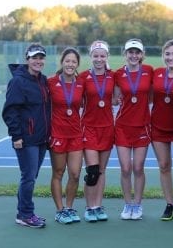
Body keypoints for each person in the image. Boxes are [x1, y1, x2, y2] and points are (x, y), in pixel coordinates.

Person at [2, 43, 51, 228]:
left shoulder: (43, 80)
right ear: (27, 59)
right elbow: (10, 111)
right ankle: (25, 214)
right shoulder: (18, 81)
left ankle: (24, 211)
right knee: (28, 176)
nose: (38, 61)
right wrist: (16, 137)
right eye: (34, 57)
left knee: (31, 176)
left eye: (41, 57)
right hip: (26, 139)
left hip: (41, 139)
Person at [113, 38, 154, 220]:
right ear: (125, 54)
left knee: (138, 167)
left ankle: (137, 205)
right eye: (131, 52)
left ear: (142, 55)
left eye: (137, 52)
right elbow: (114, 98)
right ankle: (127, 204)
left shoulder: (149, 71)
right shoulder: (118, 74)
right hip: (122, 126)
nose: (134, 55)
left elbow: (152, 95)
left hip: (142, 126)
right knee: (125, 168)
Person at [79, 40, 115, 222]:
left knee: (101, 170)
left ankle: (98, 206)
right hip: (89, 128)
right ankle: (89, 207)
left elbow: (118, 97)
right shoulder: (83, 77)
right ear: (90, 56)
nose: (99, 59)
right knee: (92, 171)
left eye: (102, 56)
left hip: (108, 128)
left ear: (107, 57)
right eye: (95, 55)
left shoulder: (113, 76)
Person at [151, 39, 173, 221]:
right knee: (164, 166)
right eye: (167, 54)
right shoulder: (156, 73)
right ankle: (170, 204)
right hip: (158, 126)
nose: (170, 57)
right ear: (163, 56)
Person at [48, 47, 84, 224]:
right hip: (58, 135)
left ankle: (69, 208)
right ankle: (59, 210)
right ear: (62, 62)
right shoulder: (51, 82)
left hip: (76, 135)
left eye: (74, 62)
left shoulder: (81, 83)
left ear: (77, 64)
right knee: (58, 172)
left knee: (75, 174)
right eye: (67, 61)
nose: (70, 64)